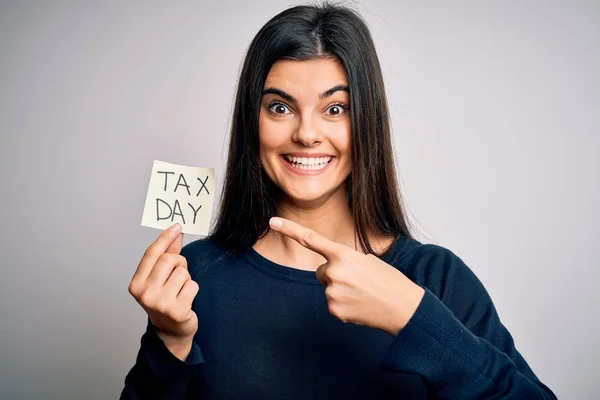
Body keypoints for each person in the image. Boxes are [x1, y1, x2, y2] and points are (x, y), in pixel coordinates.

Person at [121, 3, 557, 399]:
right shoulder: (194, 277)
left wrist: (417, 320)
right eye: (279, 108)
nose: (307, 134)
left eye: (335, 109)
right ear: (250, 121)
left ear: (366, 120)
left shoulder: (435, 279)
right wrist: (170, 343)